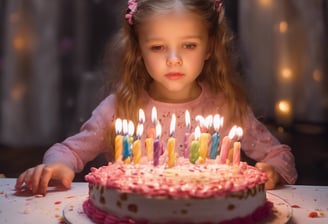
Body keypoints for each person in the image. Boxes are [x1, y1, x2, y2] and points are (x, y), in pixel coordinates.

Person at [16, 0, 297, 195]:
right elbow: (69, 151)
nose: (173, 60)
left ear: (210, 47)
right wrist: (58, 166)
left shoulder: (227, 108)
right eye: (158, 46)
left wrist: (271, 171)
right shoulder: (119, 108)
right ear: (139, 50)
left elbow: (280, 155)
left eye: (189, 45)